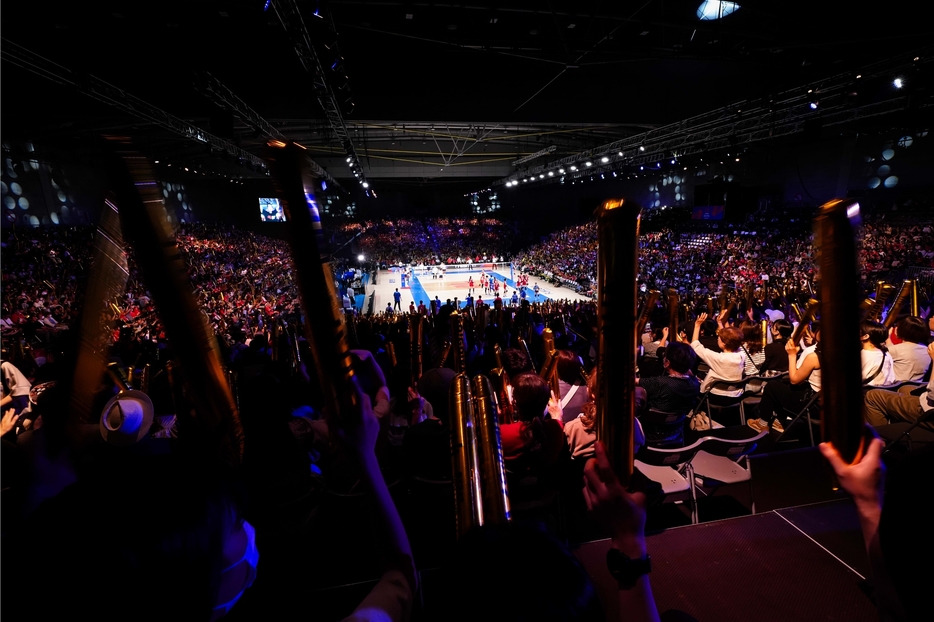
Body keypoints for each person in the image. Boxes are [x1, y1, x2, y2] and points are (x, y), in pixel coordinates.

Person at [747, 323, 822, 433]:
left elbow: (794, 380)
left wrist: (792, 355)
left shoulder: (814, 357)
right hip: (832, 406)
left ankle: (762, 423)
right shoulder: (844, 354)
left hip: (814, 406)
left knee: (772, 386)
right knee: (782, 385)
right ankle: (779, 421)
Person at [863, 341, 934, 431]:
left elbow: (932, 395)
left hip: (930, 411)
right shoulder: (924, 348)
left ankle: (883, 440)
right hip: (912, 386)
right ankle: (901, 432)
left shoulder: (895, 350)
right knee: (905, 388)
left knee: (872, 396)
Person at [690, 313, 746, 404]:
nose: (717, 339)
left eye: (719, 338)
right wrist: (720, 323)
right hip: (736, 396)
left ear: (724, 343)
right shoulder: (741, 355)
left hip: (715, 397)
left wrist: (697, 325)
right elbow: (733, 339)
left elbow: (695, 346)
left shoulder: (718, 358)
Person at [636, 341, 700, 415]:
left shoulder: (659, 383)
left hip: (653, 424)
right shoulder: (695, 384)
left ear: (667, 362)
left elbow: (633, 381)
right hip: (679, 424)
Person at [886, 316, 931, 382]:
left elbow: (895, 351)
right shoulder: (928, 350)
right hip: (916, 388)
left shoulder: (895, 350)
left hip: (895, 388)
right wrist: (888, 338)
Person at [860, 320, 896, 387]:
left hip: (869, 394)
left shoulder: (864, 355)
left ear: (865, 336)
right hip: (884, 392)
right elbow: (891, 379)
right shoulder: (886, 353)